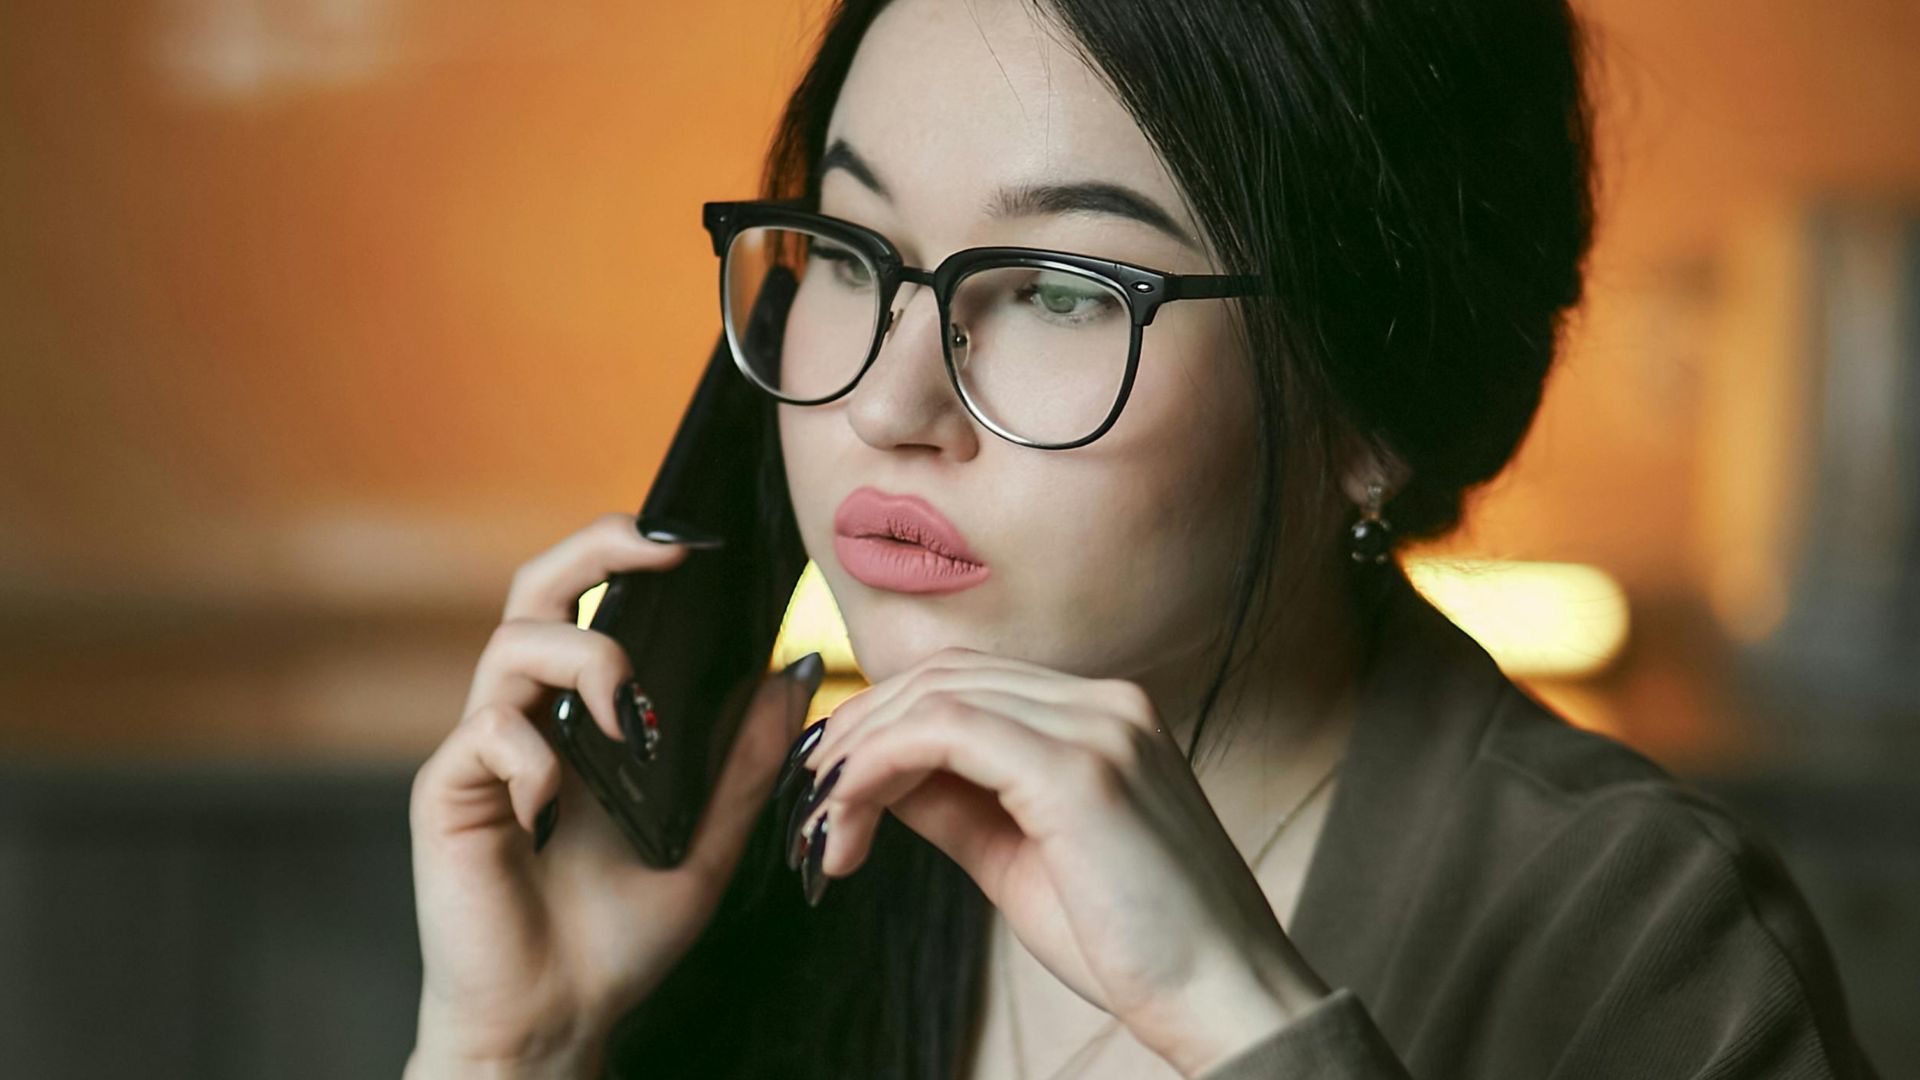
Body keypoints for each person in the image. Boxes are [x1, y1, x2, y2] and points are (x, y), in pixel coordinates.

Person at [403, 0, 1881, 1077]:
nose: (892, 403)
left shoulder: (1640, 944)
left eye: (1056, 286)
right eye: (853, 253)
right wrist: (517, 1046)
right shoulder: (788, 863)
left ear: (1371, 401)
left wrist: (1244, 1019)